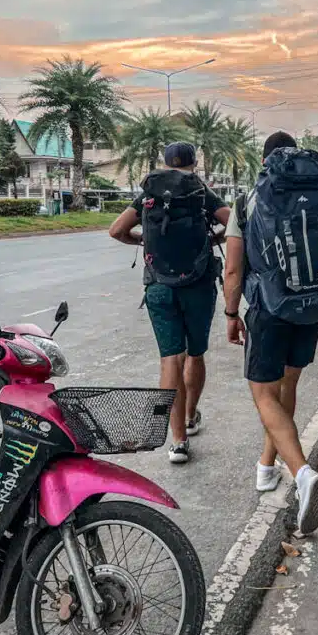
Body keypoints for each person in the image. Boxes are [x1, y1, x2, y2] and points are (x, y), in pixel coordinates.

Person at [223, 131, 318, 535]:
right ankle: (266, 467)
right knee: (286, 386)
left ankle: (301, 475)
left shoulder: (247, 202)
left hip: (269, 307)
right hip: (313, 304)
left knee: (263, 393)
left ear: (265, 162)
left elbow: (231, 269)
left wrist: (231, 312)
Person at [109, 142, 231, 464]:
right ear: (193, 163)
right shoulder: (201, 191)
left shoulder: (150, 192)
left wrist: (142, 241)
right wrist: (212, 240)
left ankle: (177, 443)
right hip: (199, 284)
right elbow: (234, 224)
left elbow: (116, 230)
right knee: (195, 352)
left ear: (165, 162)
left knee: (170, 360)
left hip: (159, 286)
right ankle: (190, 417)